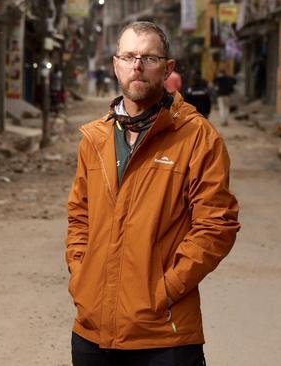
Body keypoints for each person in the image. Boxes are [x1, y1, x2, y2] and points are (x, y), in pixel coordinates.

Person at [66, 21, 240, 366]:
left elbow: (216, 226)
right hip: (92, 330)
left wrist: (165, 290)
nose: (137, 66)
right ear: (115, 64)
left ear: (168, 68)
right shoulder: (96, 139)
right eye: (129, 56)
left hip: (165, 335)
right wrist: (81, 276)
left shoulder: (196, 138)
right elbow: (79, 216)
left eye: (149, 57)